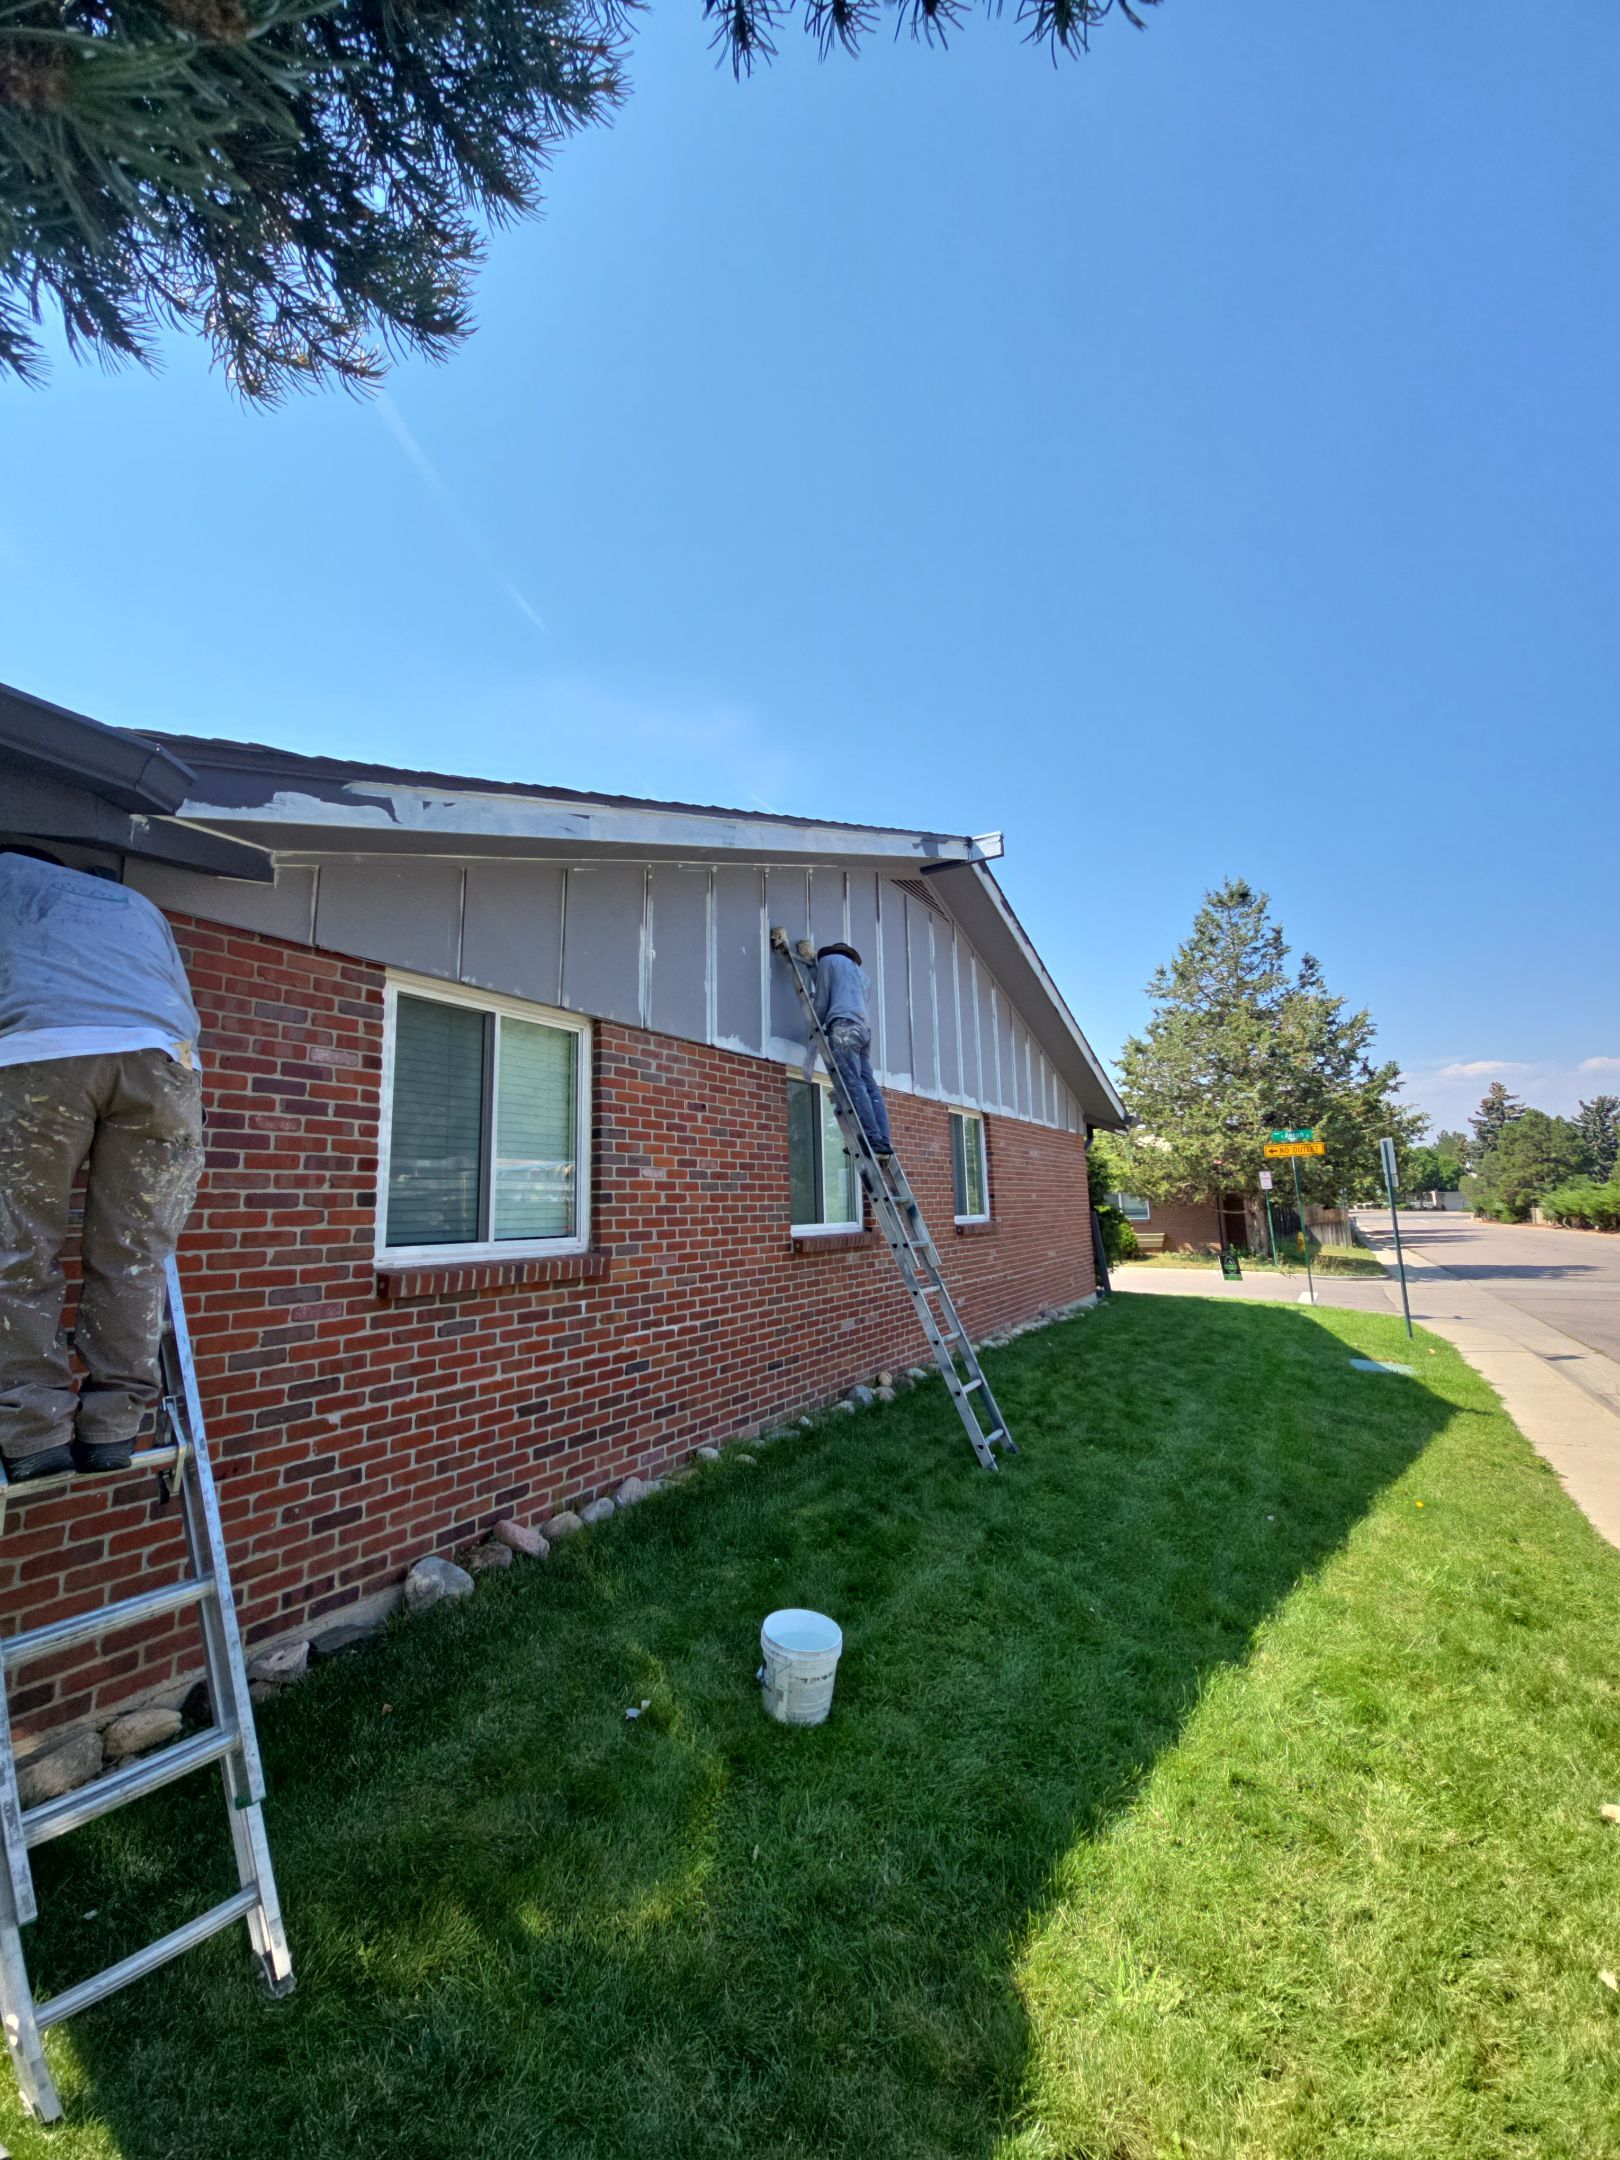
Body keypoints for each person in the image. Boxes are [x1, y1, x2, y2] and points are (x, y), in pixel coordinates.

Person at [0, 847, 205, 1483]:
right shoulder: (138, 907)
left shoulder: (7, 877)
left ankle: (33, 1430)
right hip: (165, 1064)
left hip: (45, 1051)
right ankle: (114, 1426)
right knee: (135, 1254)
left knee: (19, 1245)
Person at [800, 938, 894, 1160]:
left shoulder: (829, 961)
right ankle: (882, 1140)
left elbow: (822, 999)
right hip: (863, 1032)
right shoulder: (863, 977)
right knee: (868, 1085)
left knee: (852, 1083)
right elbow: (842, 994)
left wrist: (814, 1026)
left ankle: (870, 1138)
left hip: (843, 1026)